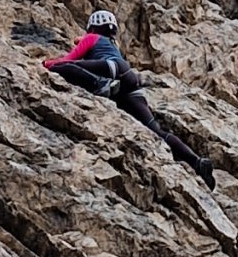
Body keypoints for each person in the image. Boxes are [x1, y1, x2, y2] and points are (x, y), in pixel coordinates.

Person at [43, 10, 216, 189]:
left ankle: (100, 85)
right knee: (155, 130)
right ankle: (197, 162)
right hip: (130, 81)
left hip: (111, 70)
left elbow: (69, 59)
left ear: (92, 27)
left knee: (64, 66)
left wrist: (46, 64)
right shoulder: (112, 44)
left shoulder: (91, 38)